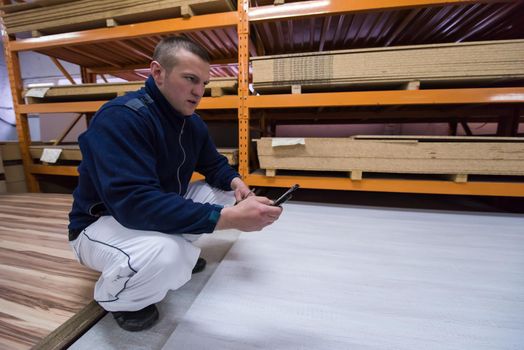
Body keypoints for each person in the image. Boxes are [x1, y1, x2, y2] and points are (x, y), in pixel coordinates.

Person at [68, 36, 283, 332]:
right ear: (158, 72)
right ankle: (117, 298)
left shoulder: (190, 122)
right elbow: (135, 203)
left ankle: (171, 255)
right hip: (102, 223)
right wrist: (225, 219)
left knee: (224, 195)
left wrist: (236, 184)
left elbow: (212, 164)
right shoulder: (121, 118)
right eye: (190, 79)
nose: (198, 92)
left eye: (204, 84)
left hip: (150, 208)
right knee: (168, 254)